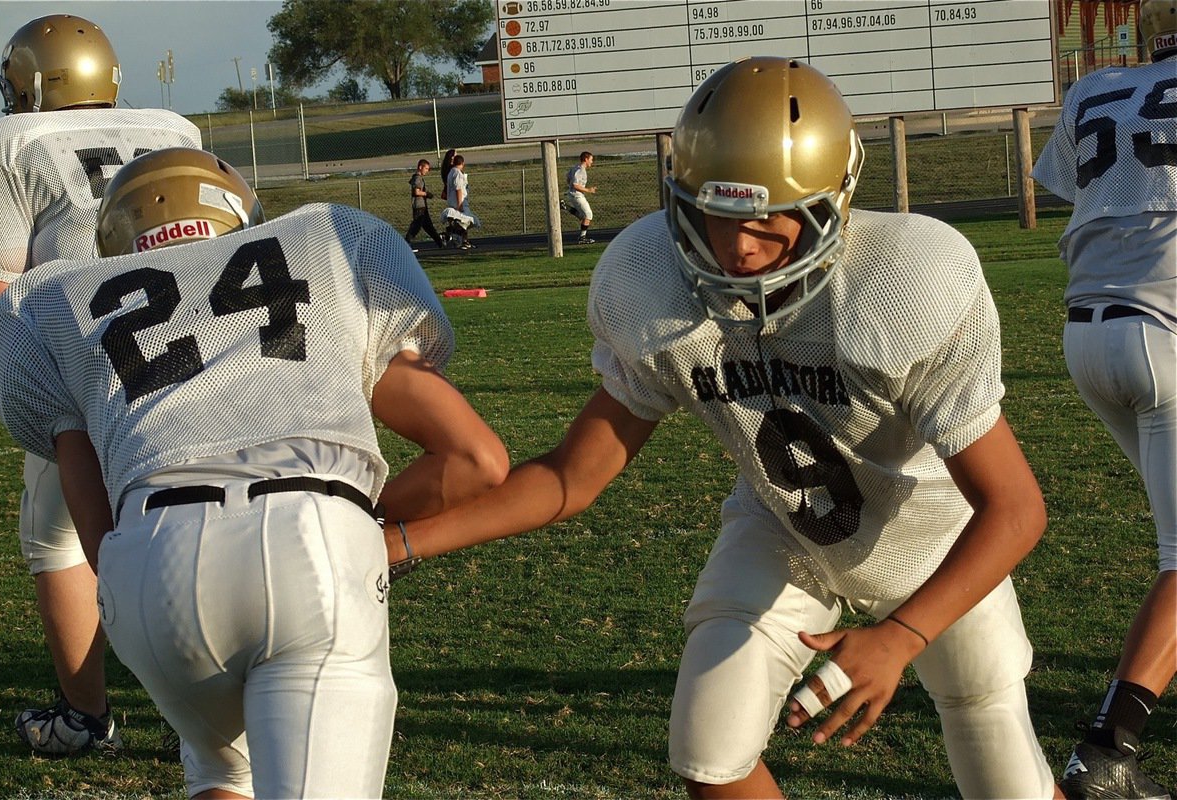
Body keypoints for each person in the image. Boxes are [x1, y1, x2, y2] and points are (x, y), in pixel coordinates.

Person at [385, 57, 1063, 799]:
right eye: (717, 217)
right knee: (709, 747)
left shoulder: (903, 282)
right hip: (785, 530)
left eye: (771, 221)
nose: (739, 249)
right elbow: (572, 476)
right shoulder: (650, 281)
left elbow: (1017, 507)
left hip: (934, 543)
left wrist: (902, 636)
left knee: (1007, 780)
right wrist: (405, 542)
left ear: (833, 204)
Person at [0, 147, 509, 798]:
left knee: (222, 771)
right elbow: (477, 460)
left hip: (151, 567)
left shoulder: (56, 299)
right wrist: (356, 527)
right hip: (307, 535)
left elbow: (97, 538)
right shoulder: (325, 241)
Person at [0, 13, 203, 757]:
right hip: (210, 346)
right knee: (196, 515)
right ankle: (205, 713)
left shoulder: (5, 144)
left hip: (90, 357)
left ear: (31, 82)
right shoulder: (175, 127)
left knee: (58, 535)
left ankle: (84, 714)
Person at [1032, 1, 1176, 797]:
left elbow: (1079, 187)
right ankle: (1107, 756)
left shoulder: (1095, 88)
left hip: (1088, 333)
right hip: (1167, 334)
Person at [405, 158, 444, 252]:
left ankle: (440, 243)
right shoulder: (417, 178)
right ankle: (406, 244)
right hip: (419, 206)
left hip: (423, 206)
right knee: (416, 227)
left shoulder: (417, 178)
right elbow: (416, 192)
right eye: (426, 168)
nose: (427, 171)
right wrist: (427, 194)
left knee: (429, 227)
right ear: (420, 167)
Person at [443, 153, 479, 249]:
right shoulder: (457, 173)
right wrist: (459, 205)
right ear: (462, 163)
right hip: (459, 202)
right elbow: (458, 189)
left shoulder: (451, 172)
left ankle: (463, 240)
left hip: (453, 201)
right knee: (468, 221)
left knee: (463, 223)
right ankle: (450, 234)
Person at [565, 151, 597, 244]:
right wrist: (588, 190)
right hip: (576, 195)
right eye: (591, 160)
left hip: (573, 194)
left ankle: (566, 207)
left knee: (583, 217)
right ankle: (582, 238)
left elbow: (568, 178)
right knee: (588, 215)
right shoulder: (580, 170)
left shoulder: (575, 168)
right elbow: (575, 185)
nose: (592, 162)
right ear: (586, 159)